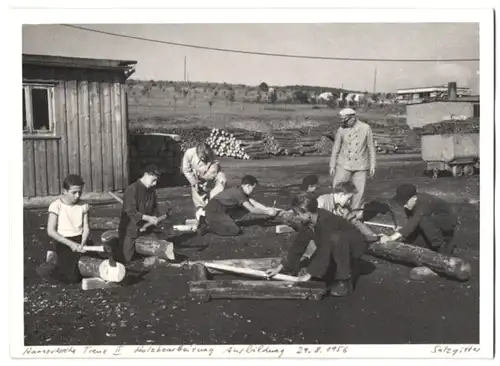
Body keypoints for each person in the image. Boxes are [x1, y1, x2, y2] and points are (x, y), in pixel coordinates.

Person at [266, 193, 368, 297]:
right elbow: (298, 245)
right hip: (335, 246)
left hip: (354, 245)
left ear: (307, 213)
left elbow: (325, 248)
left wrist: (308, 274)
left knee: (336, 239)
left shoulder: (327, 221)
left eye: (297, 214)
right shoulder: (310, 221)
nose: (296, 217)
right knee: (320, 263)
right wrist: (280, 268)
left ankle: (344, 279)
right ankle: (332, 268)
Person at [117, 165, 175, 264]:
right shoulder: (132, 189)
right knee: (127, 259)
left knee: (158, 247)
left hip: (147, 228)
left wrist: (154, 220)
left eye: (156, 181)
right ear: (146, 174)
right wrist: (147, 219)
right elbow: (131, 212)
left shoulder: (151, 191)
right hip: (129, 229)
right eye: (153, 180)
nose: (155, 183)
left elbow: (154, 209)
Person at [380, 184, 457, 255]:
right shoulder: (410, 204)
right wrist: (404, 234)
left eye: (405, 202)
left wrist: (391, 238)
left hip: (446, 222)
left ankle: (441, 246)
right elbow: (411, 220)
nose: (404, 206)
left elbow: (414, 222)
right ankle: (427, 241)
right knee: (416, 241)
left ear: (414, 198)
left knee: (423, 219)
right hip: (432, 222)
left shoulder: (425, 202)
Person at [43, 174, 94, 283]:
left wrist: (83, 243)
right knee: (71, 278)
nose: (77, 196)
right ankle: (53, 263)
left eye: (80, 192)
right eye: (74, 192)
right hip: (64, 241)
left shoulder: (84, 205)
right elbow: (51, 231)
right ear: (64, 191)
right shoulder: (56, 205)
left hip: (80, 240)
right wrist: (71, 244)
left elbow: (86, 228)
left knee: (91, 263)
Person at [299, 175, 379, 242]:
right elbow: (312, 224)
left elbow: (355, 222)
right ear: (341, 195)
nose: (349, 202)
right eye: (348, 199)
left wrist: (372, 235)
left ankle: (377, 238)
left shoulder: (343, 207)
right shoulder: (322, 202)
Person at [329, 108, 376, 220]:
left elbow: (371, 147)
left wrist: (373, 164)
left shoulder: (366, 128)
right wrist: (332, 164)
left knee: (359, 192)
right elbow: (336, 147)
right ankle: (336, 214)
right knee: (338, 188)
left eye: (346, 120)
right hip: (343, 164)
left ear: (353, 117)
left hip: (361, 165)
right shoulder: (341, 129)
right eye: (342, 121)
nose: (344, 123)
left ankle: (356, 217)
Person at [200, 175, 280, 237]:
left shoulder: (241, 190)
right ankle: (207, 227)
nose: (253, 191)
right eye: (253, 188)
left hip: (220, 208)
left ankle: (225, 221)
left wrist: (269, 209)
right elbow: (252, 209)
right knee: (234, 230)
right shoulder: (239, 193)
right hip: (215, 210)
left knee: (244, 209)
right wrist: (267, 212)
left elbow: (254, 203)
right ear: (248, 186)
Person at [182, 142, 227, 231]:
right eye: (202, 158)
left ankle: (216, 204)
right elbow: (186, 169)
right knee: (198, 190)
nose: (204, 159)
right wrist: (195, 182)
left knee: (222, 180)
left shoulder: (210, 153)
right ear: (197, 152)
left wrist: (207, 179)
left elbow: (215, 168)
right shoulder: (189, 153)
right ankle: (202, 212)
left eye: (205, 158)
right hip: (197, 176)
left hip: (212, 174)